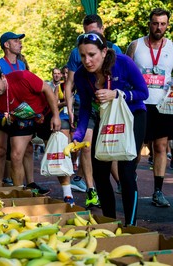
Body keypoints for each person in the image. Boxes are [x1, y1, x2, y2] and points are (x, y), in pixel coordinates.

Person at [72, 32, 148, 225]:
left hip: (133, 116)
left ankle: (130, 224)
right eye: (83, 55)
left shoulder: (122, 62)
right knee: (99, 170)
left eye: (92, 54)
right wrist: (78, 135)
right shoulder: (81, 75)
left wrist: (117, 93)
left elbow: (143, 92)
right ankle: (109, 221)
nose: (87, 61)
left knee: (126, 169)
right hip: (106, 119)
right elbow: (86, 108)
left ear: (104, 51)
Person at [64, 14, 123, 208]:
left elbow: (124, 80)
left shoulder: (116, 49)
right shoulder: (76, 52)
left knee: (109, 148)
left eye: (94, 33)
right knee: (86, 145)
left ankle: (123, 181)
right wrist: (70, 107)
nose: (90, 38)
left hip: (110, 105)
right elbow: (70, 82)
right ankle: (90, 189)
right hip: (86, 103)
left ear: (102, 29)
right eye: (86, 33)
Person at [0, 64, 61, 188]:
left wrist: (56, 116)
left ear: (3, 77)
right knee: (15, 156)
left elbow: (47, 89)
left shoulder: (22, 77)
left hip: (45, 113)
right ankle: (19, 191)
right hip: (23, 119)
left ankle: (67, 193)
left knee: (57, 152)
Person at [126, 8, 173, 207]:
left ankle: (157, 191)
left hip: (163, 105)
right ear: (149, 24)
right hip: (139, 104)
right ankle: (128, 182)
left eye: (163, 24)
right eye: (155, 23)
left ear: (167, 25)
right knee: (135, 149)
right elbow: (125, 71)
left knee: (161, 147)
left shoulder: (172, 47)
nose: (158, 27)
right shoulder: (135, 46)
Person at [47, 67, 76, 204]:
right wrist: (67, 102)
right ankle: (68, 193)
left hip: (80, 119)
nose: (64, 75)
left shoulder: (82, 84)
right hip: (63, 119)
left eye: (66, 73)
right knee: (64, 153)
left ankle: (82, 179)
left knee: (80, 149)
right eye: (63, 73)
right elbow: (54, 103)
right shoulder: (58, 87)